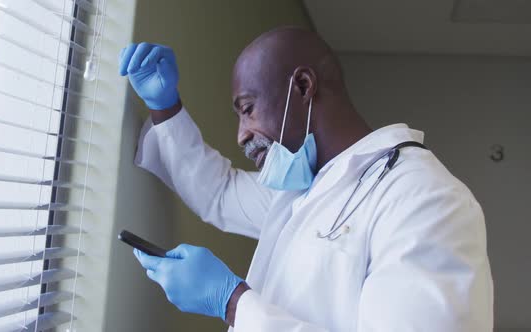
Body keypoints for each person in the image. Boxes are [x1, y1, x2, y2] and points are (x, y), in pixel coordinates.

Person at [118, 27, 493, 331]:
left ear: (302, 87)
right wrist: (164, 106)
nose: (242, 135)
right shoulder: (303, 191)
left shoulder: (423, 198)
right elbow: (218, 192)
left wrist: (233, 304)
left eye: (247, 110)